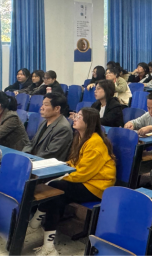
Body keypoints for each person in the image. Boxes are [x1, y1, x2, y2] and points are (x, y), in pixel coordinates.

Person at [30, 108, 116, 256]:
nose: (75, 118)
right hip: (85, 181)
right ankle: (49, 246)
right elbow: (74, 162)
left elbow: (83, 174)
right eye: (76, 115)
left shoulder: (95, 143)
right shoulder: (80, 137)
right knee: (56, 197)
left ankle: (35, 222)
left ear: (89, 122)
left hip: (97, 187)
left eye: (79, 116)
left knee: (54, 186)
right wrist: (63, 166)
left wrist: (61, 177)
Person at [23, 93, 73, 161]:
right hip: (34, 160)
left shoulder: (63, 128)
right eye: (42, 104)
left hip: (47, 164)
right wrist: (24, 155)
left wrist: (31, 160)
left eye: (46, 105)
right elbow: (32, 143)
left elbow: (50, 154)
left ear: (57, 108)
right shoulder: (44, 122)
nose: (41, 108)